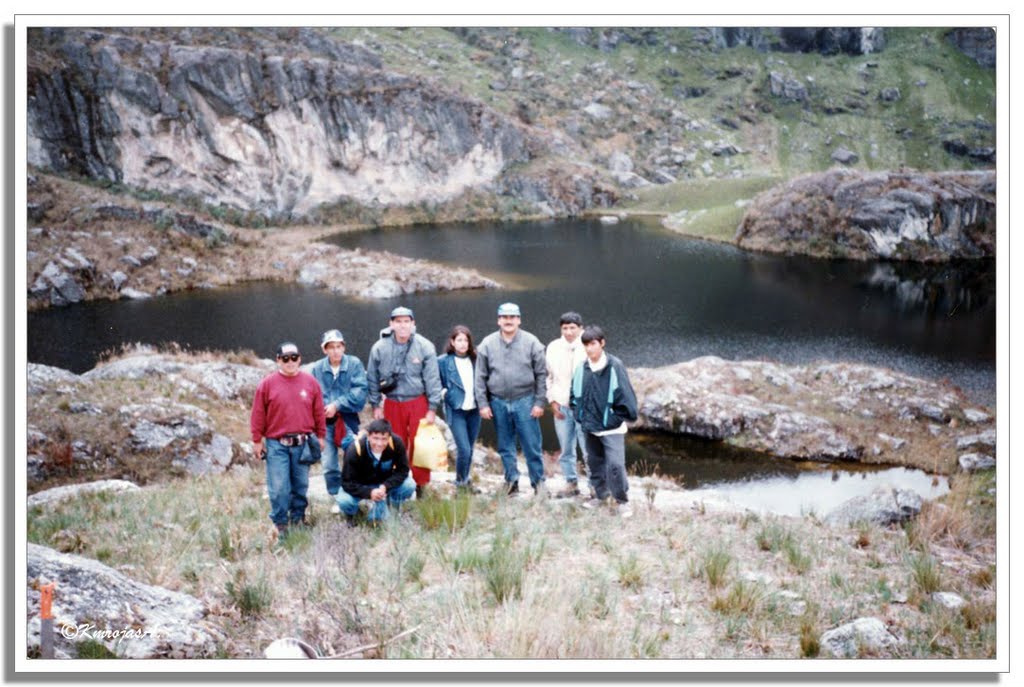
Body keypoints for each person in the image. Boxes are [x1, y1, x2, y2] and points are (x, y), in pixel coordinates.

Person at [366, 306, 443, 496]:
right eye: (398, 321)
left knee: (420, 444)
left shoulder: (425, 346)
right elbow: (372, 378)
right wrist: (376, 404)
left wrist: (432, 407)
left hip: (418, 401)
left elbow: (433, 379)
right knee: (393, 444)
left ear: (413, 323)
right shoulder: (379, 348)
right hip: (392, 402)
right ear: (391, 324)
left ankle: (421, 485)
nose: (402, 325)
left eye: (406, 321)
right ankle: (395, 484)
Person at [250, 342, 326, 534]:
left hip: (303, 444)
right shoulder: (267, 384)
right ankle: (280, 524)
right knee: (279, 488)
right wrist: (257, 440)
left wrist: (321, 436)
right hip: (277, 445)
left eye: (294, 358)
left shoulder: (311, 383)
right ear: (278, 360)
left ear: (299, 359)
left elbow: (319, 412)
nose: (290, 362)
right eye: (285, 359)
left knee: (300, 485)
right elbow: (258, 413)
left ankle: (298, 519)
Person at [474, 302, 549, 496]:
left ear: (519, 320)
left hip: (525, 400)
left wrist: (540, 402)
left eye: (512, 317)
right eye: (505, 317)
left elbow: (542, 374)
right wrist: (483, 403)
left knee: (532, 445)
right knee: (505, 446)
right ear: (498, 320)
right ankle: (511, 481)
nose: (508, 321)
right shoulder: (487, 344)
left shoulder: (532, 342)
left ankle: (538, 484)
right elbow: (480, 377)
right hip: (497, 401)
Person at [570, 325, 639, 517]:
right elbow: (574, 396)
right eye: (586, 344)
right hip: (590, 427)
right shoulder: (582, 368)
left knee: (615, 465)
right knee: (594, 462)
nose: (590, 348)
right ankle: (600, 495)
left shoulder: (614, 366)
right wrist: (580, 415)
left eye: (593, 344)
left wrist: (614, 419)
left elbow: (627, 399)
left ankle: (622, 501)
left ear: (602, 343)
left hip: (611, 428)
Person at [305, 329, 368, 509]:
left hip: (349, 421)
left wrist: (337, 405)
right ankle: (336, 497)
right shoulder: (316, 369)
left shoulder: (354, 364)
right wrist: (323, 409)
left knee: (354, 456)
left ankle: (356, 493)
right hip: (325, 423)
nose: (335, 351)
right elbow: (312, 395)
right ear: (324, 349)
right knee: (329, 463)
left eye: (339, 346)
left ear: (344, 347)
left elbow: (359, 393)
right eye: (331, 347)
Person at [337, 419, 417, 525]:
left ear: (389, 437)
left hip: (384, 486)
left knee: (409, 485)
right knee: (344, 500)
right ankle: (353, 515)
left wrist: (386, 486)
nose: (379, 443)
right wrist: (369, 492)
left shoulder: (396, 443)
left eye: (384, 439)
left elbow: (403, 470)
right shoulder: (355, 449)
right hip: (363, 485)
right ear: (369, 436)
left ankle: (393, 507)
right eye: (375, 438)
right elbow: (347, 482)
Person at [545, 311, 590, 498]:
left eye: (573, 328)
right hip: (562, 406)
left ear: (581, 328)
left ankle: (595, 485)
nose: (569, 332)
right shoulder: (554, 347)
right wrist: (552, 400)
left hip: (585, 408)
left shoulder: (589, 345)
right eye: (565, 328)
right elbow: (549, 376)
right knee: (566, 448)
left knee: (589, 449)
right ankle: (571, 483)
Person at [437, 325, 482, 492]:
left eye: (466, 340)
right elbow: (435, 382)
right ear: (452, 342)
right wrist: (445, 394)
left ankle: (465, 479)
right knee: (463, 448)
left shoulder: (476, 359)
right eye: (459, 340)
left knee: (470, 448)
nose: (463, 344)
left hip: (474, 409)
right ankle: (460, 483)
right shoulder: (443, 361)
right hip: (456, 409)